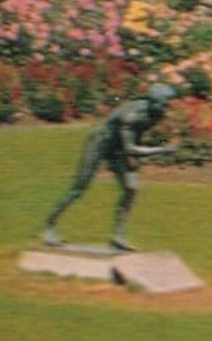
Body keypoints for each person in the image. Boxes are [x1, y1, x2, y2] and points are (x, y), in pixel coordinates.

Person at [41, 83, 179, 251]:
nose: (167, 108)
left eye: (168, 104)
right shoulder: (131, 116)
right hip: (100, 143)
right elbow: (131, 149)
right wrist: (162, 150)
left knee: (131, 188)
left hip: (118, 147)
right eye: (165, 103)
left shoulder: (156, 113)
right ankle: (49, 226)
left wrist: (133, 162)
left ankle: (118, 237)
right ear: (154, 101)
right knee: (79, 189)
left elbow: (136, 137)